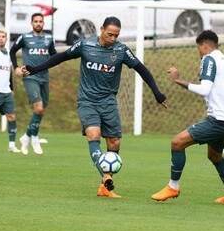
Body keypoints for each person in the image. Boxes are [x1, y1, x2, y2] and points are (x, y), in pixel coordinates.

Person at [23, 16, 167, 198]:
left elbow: (142, 69)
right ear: (101, 29)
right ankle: (106, 177)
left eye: (116, 35)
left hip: (108, 102)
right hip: (87, 101)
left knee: (114, 142)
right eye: (109, 34)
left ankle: (104, 187)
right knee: (94, 134)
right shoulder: (85, 45)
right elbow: (60, 57)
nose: (113, 38)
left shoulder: (121, 50)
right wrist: (36, 69)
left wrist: (157, 93)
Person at [151, 30, 224, 205]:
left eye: (198, 48)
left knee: (177, 142)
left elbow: (204, 89)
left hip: (218, 120)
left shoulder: (209, 59)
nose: (198, 52)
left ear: (204, 45)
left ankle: (173, 186)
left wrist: (178, 80)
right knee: (215, 156)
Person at [10, 13, 56, 155]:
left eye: (40, 21)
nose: (38, 23)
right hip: (30, 77)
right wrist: (16, 67)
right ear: (31, 23)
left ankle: (26, 136)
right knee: (39, 107)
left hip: (44, 77)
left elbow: (54, 55)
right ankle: (34, 138)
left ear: (43, 23)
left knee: (41, 110)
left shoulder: (49, 38)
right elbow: (12, 51)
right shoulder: (25, 37)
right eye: (35, 21)